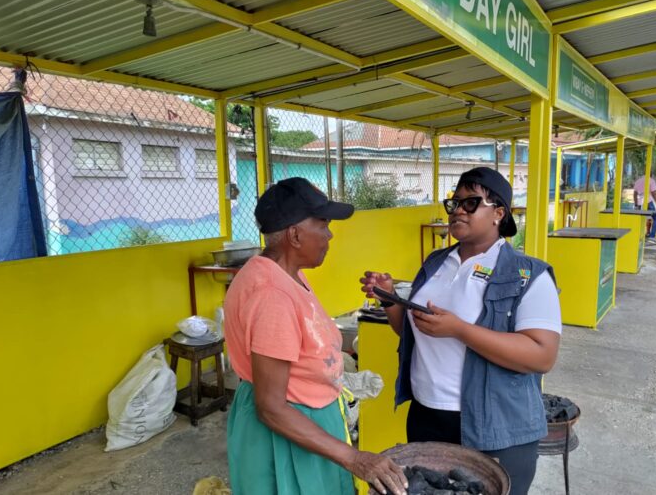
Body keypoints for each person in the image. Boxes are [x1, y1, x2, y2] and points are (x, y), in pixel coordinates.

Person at [360, 168, 562, 495]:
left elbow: (542, 355)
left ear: (499, 213)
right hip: (427, 416)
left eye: (470, 203)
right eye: (452, 203)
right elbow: (414, 334)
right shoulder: (436, 263)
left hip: (495, 426)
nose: (457, 211)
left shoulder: (528, 275)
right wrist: (390, 300)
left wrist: (460, 330)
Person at [225, 178, 407, 495]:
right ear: (295, 235)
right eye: (323, 224)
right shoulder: (272, 296)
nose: (330, 234)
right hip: (287, 430)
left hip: (308, 421)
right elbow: (271, 407)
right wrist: (355, 457)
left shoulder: (285, 274)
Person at [633, 175, 656, 245]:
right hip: (649, 201)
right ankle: (652, 237)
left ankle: (641, 237)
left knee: (643, 219)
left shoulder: (638, 181)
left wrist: (636, 204)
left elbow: (635, 194)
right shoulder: (651, 180)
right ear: (651, 174)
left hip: (640, 202)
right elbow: (654, 194)